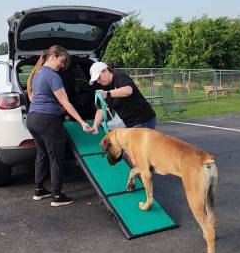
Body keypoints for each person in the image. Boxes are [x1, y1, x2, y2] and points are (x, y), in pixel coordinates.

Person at [26, 45, 92, 207]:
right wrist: (81, 121)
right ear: (53, 56)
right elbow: (65, 101)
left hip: (33, 118)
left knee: (42, 153)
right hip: (48, 121)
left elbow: (36, 97)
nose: (62, 65)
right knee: (56, 157)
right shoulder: (53, 76)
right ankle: (57, 196)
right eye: (62, 61)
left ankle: (39, 190)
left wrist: (54, 106)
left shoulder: (37, 73)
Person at [89, 62, 156, 134]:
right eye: (96, 80)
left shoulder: (120, 77)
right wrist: (95, 125)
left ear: (106, 71)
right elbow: (102, 109)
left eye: (99, 77)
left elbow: (128, 90)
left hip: (143, 120)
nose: (98, 81)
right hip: (130, 123)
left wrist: (108, 93)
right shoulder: (104, 87)